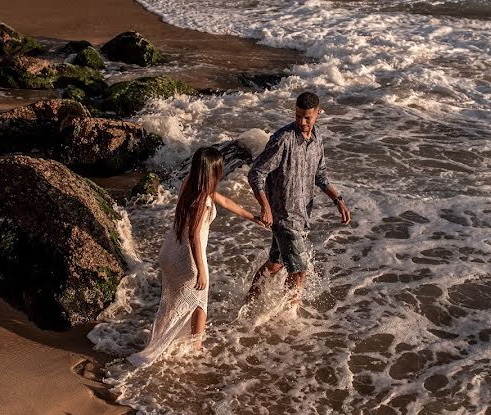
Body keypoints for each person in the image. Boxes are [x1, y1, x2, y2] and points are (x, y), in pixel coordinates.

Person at [128, 147, 267, 366]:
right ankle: (196, 349)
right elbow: (194, 237)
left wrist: (253, 217)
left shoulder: (190, 183)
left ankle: (157, 341)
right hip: (186, 257)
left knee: (170, 303)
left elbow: (227, 202)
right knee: (200, 302)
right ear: (212, 172)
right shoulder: (202, 199)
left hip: (169, 252)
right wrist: (201, 271)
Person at [246, 91, 351, 306]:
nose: (302, 122)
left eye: (307, 117)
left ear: (318, 114)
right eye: (298, 116)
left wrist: (338, 200)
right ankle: (289, 314)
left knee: (276, 264)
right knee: (300, 270)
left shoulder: (317, 138)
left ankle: (247, 302)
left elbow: (320, 176)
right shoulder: (283, 140)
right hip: (284, 217)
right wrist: (265, 207)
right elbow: (256, 173)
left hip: (302, 215)